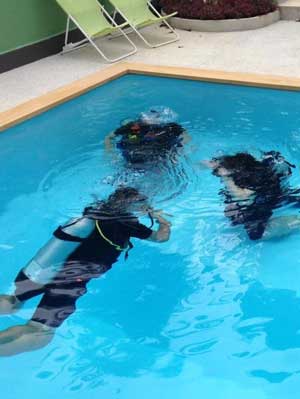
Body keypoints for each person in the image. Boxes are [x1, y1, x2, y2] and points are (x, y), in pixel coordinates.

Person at [0, 187, 171, 357]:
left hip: (41, 271)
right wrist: (163, 222)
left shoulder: (94, 214)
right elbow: (161, 238)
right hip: (70, 281)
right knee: (40, 333)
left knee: (13, 302)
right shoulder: (128, 225)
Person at [204, 151, 300, 240]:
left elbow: (243, 197)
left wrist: (226, 177)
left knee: (256, 234)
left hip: (268, 198)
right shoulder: (246, 169)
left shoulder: (249, 181)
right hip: (269, 191)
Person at [105, 108, 189, 166]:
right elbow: (109, 137)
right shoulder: (132, 126)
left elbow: (185, 135)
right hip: (136, 155)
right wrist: (111, 153)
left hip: (159, 155)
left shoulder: (171, 126)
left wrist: (180, 151)